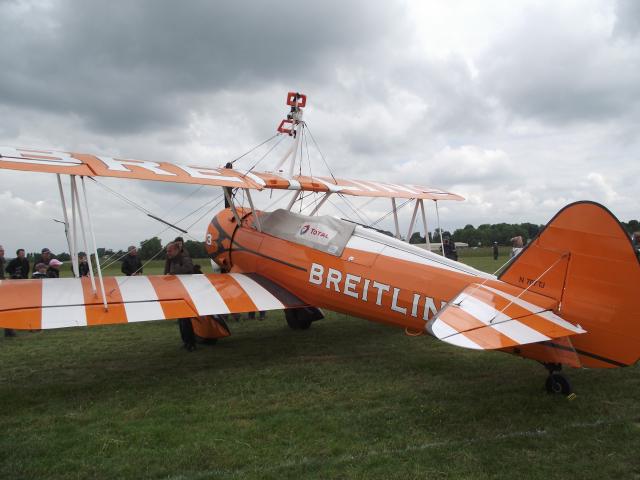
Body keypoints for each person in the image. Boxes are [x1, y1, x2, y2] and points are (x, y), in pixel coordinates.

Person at [166, 242, 196, 350]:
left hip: (186, 292)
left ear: (176, 250)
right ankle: (186, 342)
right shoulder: (171, 260)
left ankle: (191, 343)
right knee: (181, 320)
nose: (167, 253)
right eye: (167, 251)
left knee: (186, 319)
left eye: (169, 251)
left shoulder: (185, 258)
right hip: (178, 291)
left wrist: (173, 272)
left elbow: (189, 268)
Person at [0, 245, 14, 338]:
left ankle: (8, 331)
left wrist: (4, 278)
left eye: (3, 250)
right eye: (1, 250)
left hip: (2, 285)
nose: (3, 252)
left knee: (6, 308)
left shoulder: (2, 260)